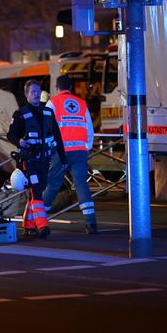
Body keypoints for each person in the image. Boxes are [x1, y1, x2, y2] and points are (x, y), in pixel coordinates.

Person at [7, 79, 66, 238]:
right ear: (26, 94)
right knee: (37, 191)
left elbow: (58, 136)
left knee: (35, 192)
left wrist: (63, 157)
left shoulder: (48, 112)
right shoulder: (20, 114)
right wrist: (19, 141)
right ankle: (42, 226)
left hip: (45, 160)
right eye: (32, 92)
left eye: (38, 92)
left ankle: (29, 225)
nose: (36, 95)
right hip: (29, 160)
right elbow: (10, 135)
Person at [43, 75, 98, 234]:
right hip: (80, 151)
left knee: (52, 185)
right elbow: (89, 129)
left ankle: (37, 219)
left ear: (56, 88)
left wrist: (49, 148)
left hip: (60, 152)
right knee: (82, 185)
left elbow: (48, 128)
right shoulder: (81, 103)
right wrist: (85, 147)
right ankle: (90, 223)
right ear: (71, 87)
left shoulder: (52, 102)